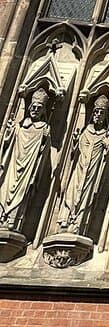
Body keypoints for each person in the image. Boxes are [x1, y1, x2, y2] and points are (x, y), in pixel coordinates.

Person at [56, 95, 109, 236]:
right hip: (79, 169)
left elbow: (106, 159)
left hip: (92, 172)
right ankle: (66, 220)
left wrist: (108, 147)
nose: (98, 115)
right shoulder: (85, 131)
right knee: (72, 191)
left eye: (101, 112)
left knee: (86, 196)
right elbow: (74, 154)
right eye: (96, 111)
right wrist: (75, 142)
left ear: (106, 115)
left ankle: (78, 223)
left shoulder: (104, 135)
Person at [0, 88, 52, 232]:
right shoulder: (19, 126)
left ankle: (13, 221)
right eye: (33, 107)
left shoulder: (43, 129)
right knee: (5, 188)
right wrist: (10, 131)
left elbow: (43, 155)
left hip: (28, 170)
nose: (35, 110)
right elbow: (6, 143)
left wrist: (46, 140)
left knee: (23, 191)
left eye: (39, 108)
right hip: (12, 166)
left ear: (43, 110)